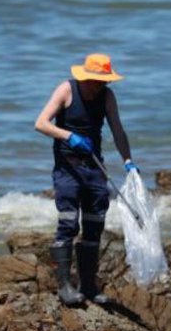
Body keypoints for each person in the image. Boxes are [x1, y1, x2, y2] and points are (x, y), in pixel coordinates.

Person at [34, 52, 137, 306]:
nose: (96, 87)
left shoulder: (107, 97)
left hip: (94, 168)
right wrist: (68, 136)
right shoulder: (66, 90)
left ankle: (88, 286)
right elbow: (41, 123)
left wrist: (128, 161)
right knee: (68, 224)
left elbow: (117, 130)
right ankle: (64, 287)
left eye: (102, 82)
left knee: (94, 225)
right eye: (93, 81)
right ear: (83, 78)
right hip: (68, 168)